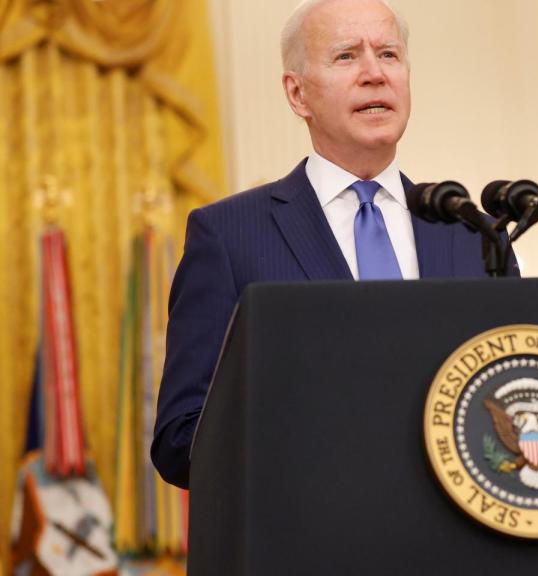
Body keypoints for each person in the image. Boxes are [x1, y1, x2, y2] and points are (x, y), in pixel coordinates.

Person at [152, 0, 516, 489]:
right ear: (297, 93)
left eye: (389, 54)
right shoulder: (229, 236)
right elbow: (182, 440)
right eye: (346, 56)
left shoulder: (475, 234)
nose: (374, 73)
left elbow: (515, 392)